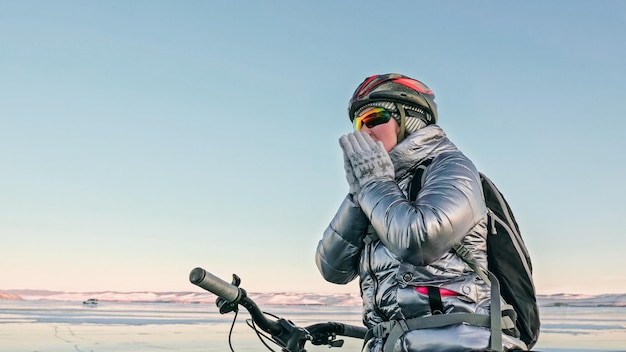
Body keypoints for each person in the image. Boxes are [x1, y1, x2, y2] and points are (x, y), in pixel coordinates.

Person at [315, 73, 527, 352]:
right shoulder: (378, 186)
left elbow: (419, 242)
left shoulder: (451, 167)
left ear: (411, 119)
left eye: (374, 119)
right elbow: (333, 268)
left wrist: (374, 184)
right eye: (358, 124)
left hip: (460, 344)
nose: (362, 132)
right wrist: (358, 193)